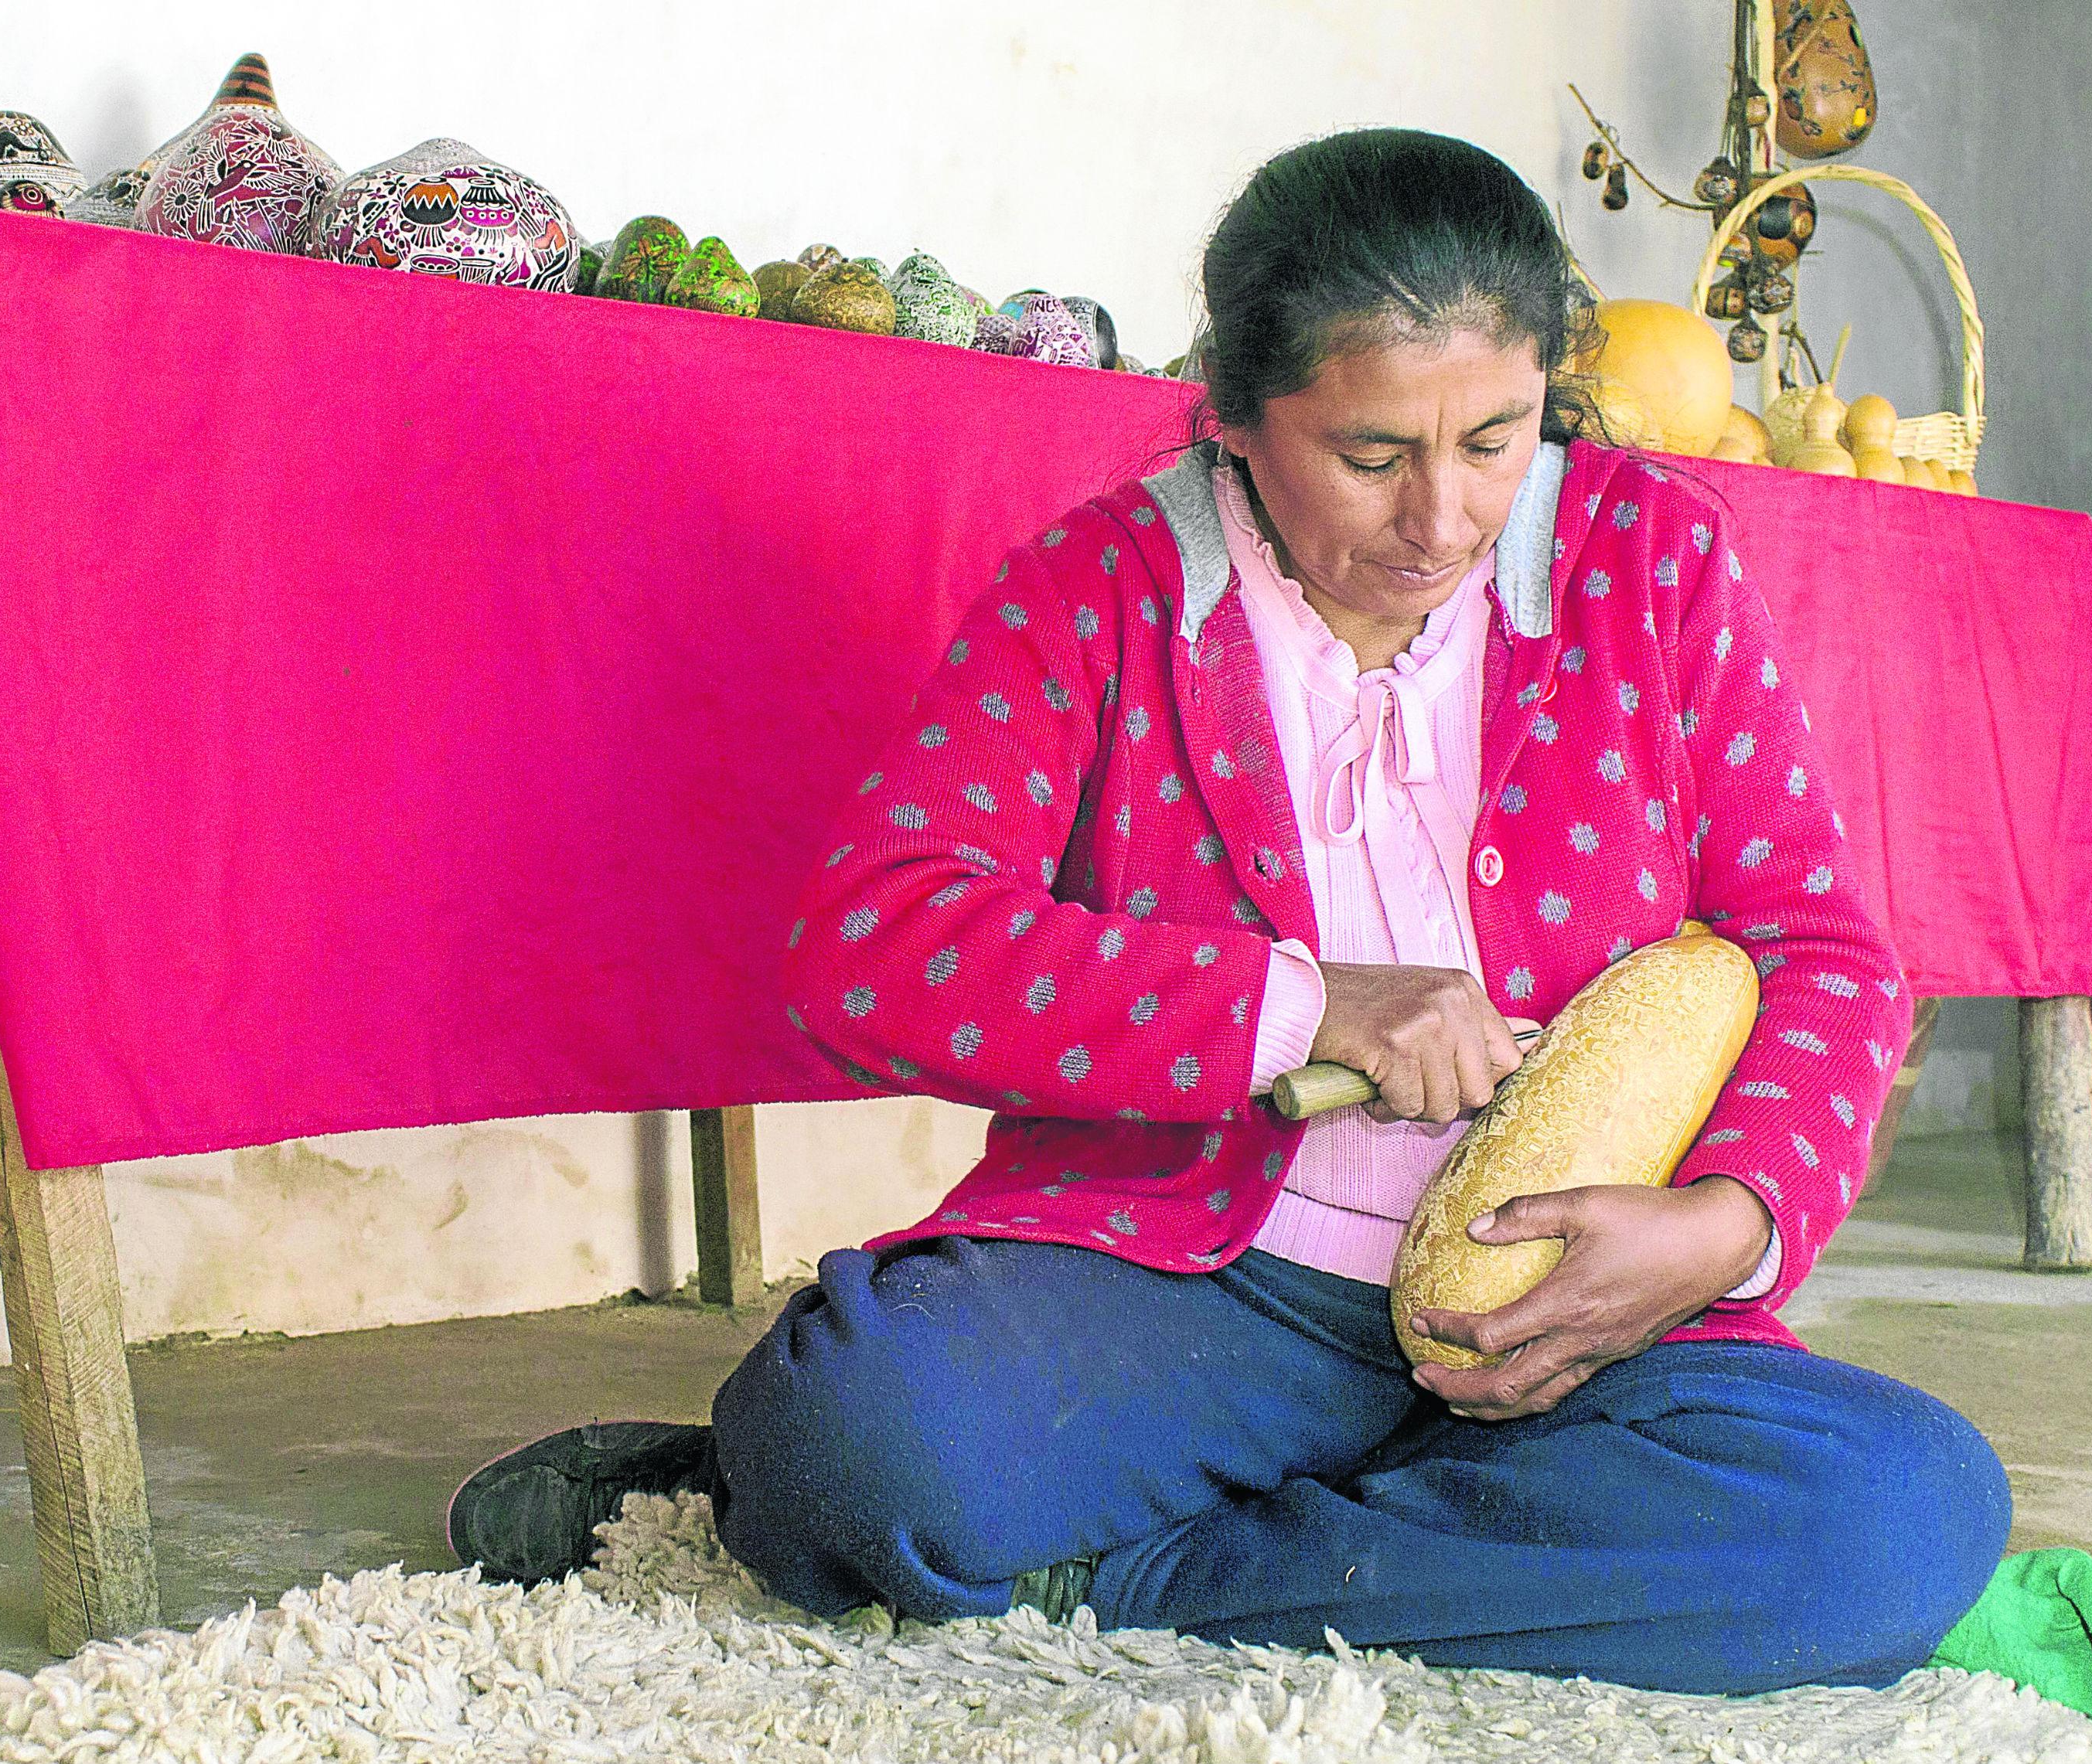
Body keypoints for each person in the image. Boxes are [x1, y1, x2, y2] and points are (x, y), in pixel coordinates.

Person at [447, 128, 2009, 1694]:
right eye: (1372, 454)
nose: (1442, 519)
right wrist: (1299, 1004)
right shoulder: (1096, 595)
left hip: (1563, 1317)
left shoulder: (1649, 563)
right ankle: (1385, 1559)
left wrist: (1723, 1226)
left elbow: (1817, 946)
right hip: (1187, 1284)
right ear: (1244, 416)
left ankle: (1112, 1573)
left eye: (1496, 438)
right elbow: (871, 946)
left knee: (1897, 1520)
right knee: (852, 1437)